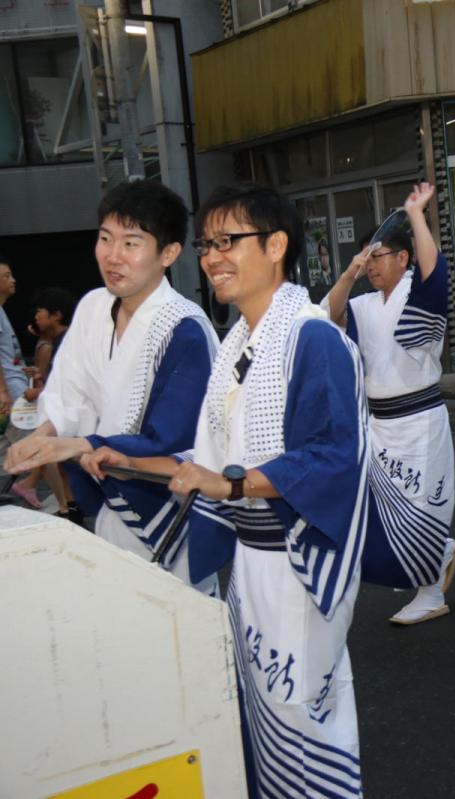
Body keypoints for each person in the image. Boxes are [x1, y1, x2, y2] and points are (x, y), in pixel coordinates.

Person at [87, 183, 371, 794]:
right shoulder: (239, 343)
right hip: (252, 562)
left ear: (275, 246)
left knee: (303, 713)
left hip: (295, 563)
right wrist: (129, 461)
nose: (213, 257)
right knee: (265, 712)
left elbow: (330, 458)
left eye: (228, 241)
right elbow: (208, 461)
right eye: (207, 244)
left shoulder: (311, 335)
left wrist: (232, 485)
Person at [4, 182, 218, 592]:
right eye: (105, 238)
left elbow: (174, 438)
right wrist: (42, 438)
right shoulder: (93, 307)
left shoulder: (185, 329)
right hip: (106, 504)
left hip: (166, 513)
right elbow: (71, 390)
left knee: (176, 629)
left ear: (168, 253)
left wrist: (80, 445)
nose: (113, 256)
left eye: (131, 243)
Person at [323, 183, 455, 625]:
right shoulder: (363, 303)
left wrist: (416, 215)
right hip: (379, 423)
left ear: (402, 259)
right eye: (367, 257)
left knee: (422, 503)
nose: (371, 265)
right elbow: (328, 315)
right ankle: (436, 553)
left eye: (378, 256)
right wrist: (350, 272)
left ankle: (431, 590)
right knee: (387, 507)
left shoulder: (415, 294)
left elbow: (433, 270)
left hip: (420, 417)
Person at [10, 288, 75, 515]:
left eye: (40, 311)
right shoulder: (61, 341)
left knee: (62, 460)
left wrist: (37, 392)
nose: (36, 317)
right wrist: (39, 377)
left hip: (70, 415)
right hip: (65, 414)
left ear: (56, 315)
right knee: (61, 463)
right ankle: (67, 505)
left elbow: (69, 385)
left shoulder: (67, 343)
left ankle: (69, 507)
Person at [0, 260, 28, 465]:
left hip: (14, 385)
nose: (13, 280)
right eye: (6, 276)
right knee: (33, 442)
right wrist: (2, 391)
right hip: (11, 388)